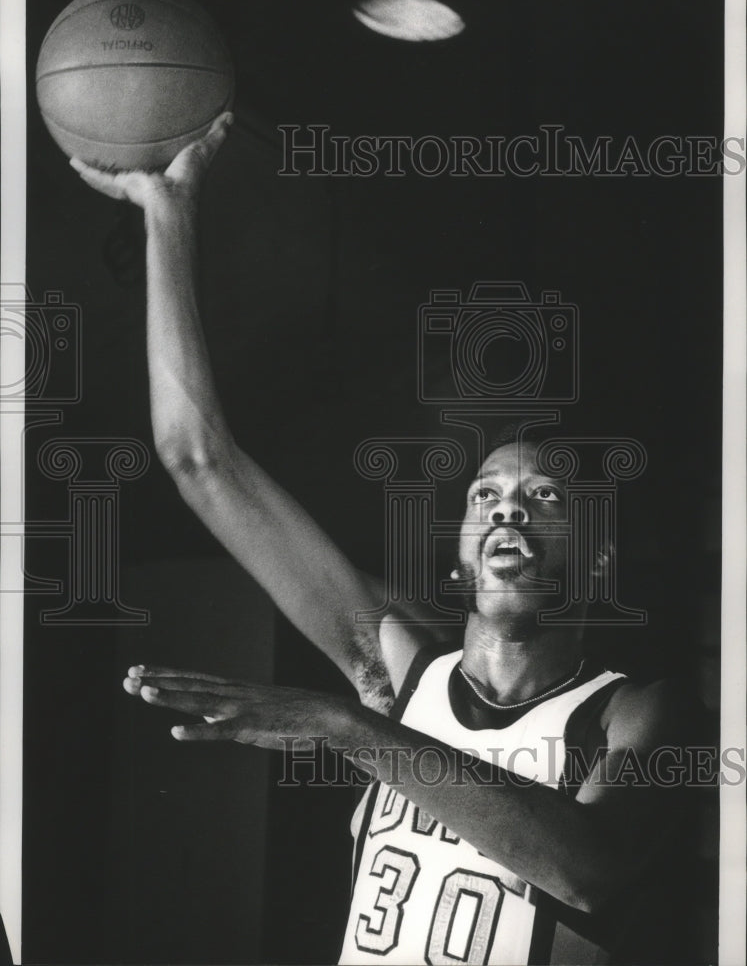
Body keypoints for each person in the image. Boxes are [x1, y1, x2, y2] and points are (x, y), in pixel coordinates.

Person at [71, 115, 696, 965]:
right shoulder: (395, 667)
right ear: (460, 551)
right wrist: (167, 216)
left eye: (543, 496)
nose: (507, 511)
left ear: (596, 559)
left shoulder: (637, 711)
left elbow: (588, 870)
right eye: (486, 496)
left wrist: (342, 727)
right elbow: (199, 460)